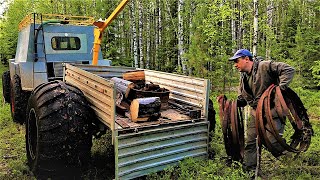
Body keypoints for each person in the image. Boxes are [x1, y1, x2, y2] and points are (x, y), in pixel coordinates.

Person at [229, 49, 295, 171]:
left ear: (246, 59)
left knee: (273, 141)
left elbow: (289, 70)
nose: (235, 65)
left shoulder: (264, 66)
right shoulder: (243, 79)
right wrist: (230, 104)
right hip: (256, 114)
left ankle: (292, 161)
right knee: (250, 143)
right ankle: (249, 171)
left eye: (237, 61)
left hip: (273, 112)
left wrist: (279, 90)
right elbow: (243, 100)